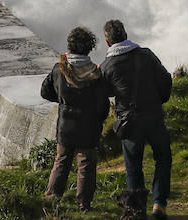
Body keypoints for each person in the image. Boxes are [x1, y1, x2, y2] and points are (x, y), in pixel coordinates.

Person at [100, 18, 174, 219]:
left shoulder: (107, 65)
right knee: (163, 158)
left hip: (129, 121)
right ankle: (159, 204)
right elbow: (165, 79)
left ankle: (137, 211)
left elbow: (104, 91)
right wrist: (160, 99)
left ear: (108, 42)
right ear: (125, 35)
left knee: (133, 165)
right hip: (154, 116)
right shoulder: (146, 55)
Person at [40, 26, 114, 211]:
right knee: (86, 166)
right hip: (89, 126)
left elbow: (45, 92)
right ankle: (84, 205)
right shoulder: (96, 74)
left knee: (61, 161)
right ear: (89, 48)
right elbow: (103, 105)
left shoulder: (60, 69)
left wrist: (63, 101)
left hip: (66, 126)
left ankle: (51, 199)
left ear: (70, 46)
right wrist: (99, 119)